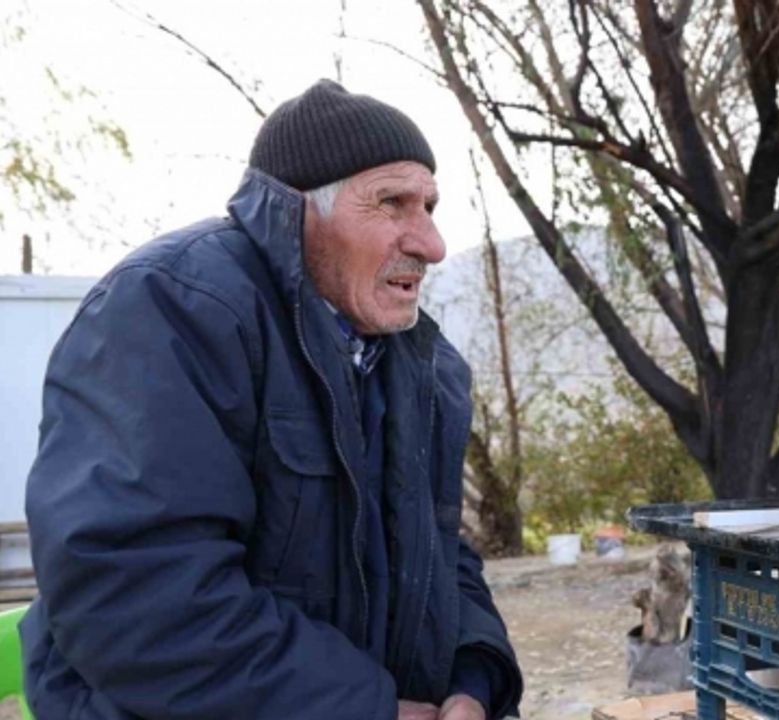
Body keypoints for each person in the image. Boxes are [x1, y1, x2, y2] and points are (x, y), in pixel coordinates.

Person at [20, 79, 522, 720]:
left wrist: (473, 682)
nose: (431, 243)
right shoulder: (171, 310)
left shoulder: (422, 364)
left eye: (429, 205)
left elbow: (441, 557)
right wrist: (368, 709)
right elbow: (133, 591)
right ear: (301, 212)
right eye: (393, 203)